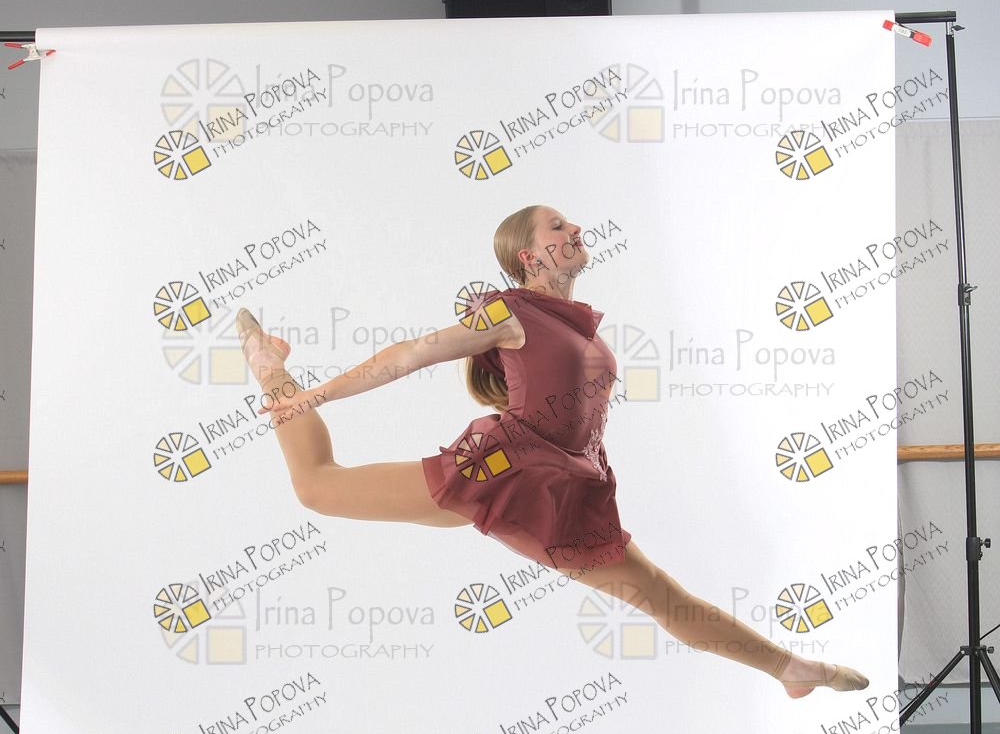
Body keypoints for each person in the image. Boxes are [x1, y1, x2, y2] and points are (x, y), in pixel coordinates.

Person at [236, 203, 868, 698]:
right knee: (317, 486)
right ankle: (272, 372)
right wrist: (317, 393)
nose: (575, 230)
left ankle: (791, 669)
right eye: (557, 226)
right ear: (528, 255)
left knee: (661, 594)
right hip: (504, 470)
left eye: (570, 223)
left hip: (568, 482)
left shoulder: (575, 323)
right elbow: (410, 355)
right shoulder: (508, 313)